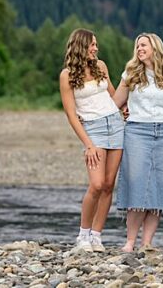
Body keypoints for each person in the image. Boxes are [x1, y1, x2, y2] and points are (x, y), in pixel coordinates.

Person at [112, 33, 163, 252]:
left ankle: (147, 243)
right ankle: (129, 242)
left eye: (143, 45)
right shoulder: (131, 74)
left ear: (155, 48)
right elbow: (115, 102)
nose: (139, 49)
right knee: (137, 186)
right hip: (137, 132)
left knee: (158, 189)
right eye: (137, 46)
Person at [59, 28, 124, 252]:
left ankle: (96, 236)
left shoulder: (101, 66)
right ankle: (83, 236)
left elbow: (113, 95)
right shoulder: (67, 75)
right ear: (81, 46)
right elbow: (71, 114)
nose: (96, 48)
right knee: (96, 185)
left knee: (108, 186)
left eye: (96, 44)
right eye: (92, 45)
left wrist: (125, 109)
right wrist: (88, 144)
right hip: (93, 130)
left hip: (115, 125)